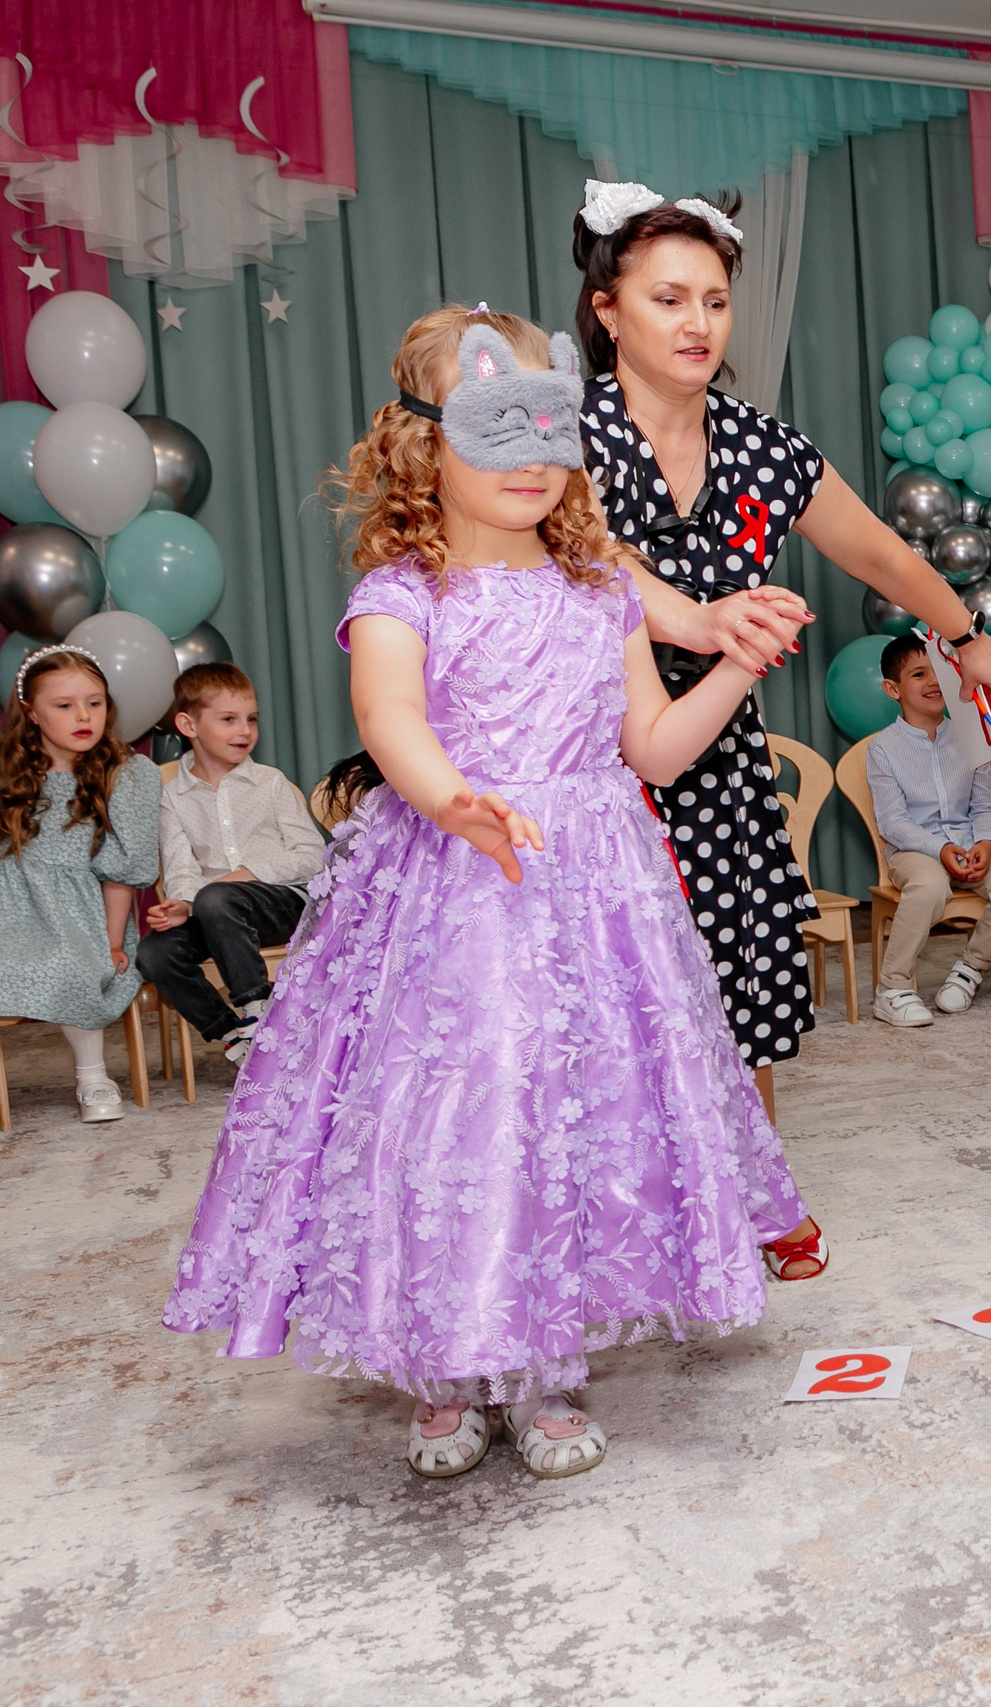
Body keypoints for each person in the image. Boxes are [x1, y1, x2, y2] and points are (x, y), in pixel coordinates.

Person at [164, 307, 823, 1484]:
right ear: (424, 444)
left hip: (596, 888)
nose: (530, 455)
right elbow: (390, 720)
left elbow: (658, 751)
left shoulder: (599, 592)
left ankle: (546, 1365)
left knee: (576, 1120)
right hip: (456, 891)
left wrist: (731, 663)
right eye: (496, 427)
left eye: (550, 429)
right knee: (462, 1121)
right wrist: (453, 799)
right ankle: (450, 1368)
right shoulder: (403, 593)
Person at [571, 181, 991, 1111]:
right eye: (668, 298)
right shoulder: (563, 439)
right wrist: (693, 618)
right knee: (608, 1024)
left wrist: (967, 635)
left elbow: (885, 555)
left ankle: (750, 1194)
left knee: (738, 1007)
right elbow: (582, 556)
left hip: (722, 763)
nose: (699, 323)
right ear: (608, 311)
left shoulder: (762, 447)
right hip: (591, 767)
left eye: (716, 300)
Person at [136, 661, 324, 1065]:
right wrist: (182, 904)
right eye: (229, 719)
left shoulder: (271, 783)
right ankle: (233, 1037)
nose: (245, 731)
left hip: (281, 904)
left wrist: (247, 875)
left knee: (219, 897)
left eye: (251, 719)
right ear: (189, 726)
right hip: (212, 911)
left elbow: (311, 856)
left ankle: (257, 1012)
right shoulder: (173, 797)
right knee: (154, 954)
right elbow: (180, 867)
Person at [0, 645, 159, 1124]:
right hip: (11, 905)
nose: (83, 716)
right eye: (64, 705)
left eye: (94, 702)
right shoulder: (9, 774)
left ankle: (92, 1076)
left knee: (73, 962)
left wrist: (112, 941)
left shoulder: (125, 775)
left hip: (81, 911)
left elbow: (120, 874)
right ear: (32, 713)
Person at [865, 633, 991, 1027]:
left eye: (939, 672)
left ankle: (970, 969)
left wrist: (986, 843)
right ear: (893, 688)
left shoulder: (969, 736)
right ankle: (892, 988)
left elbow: (984, 804)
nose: (933, 682)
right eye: (918, 674)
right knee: (928, 886)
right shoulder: (883, 748)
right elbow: (893, 821)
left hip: (969, 842)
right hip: (915, 849)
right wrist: (939, 848)